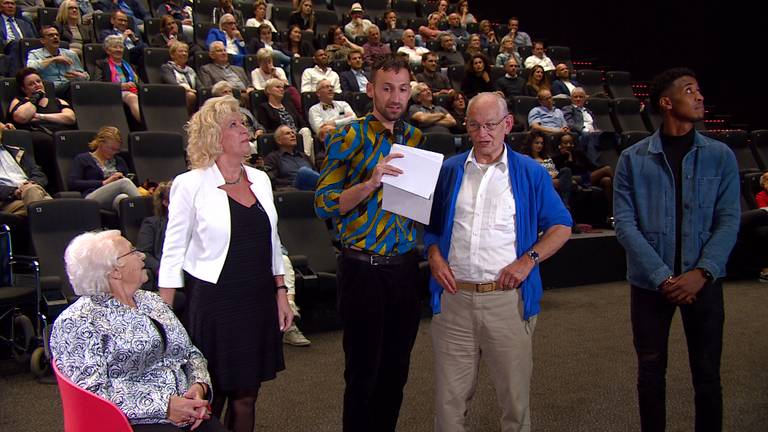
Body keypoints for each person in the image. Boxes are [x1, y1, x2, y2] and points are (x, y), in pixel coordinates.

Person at [424, 92, 572, 432]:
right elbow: (431, 228)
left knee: (514, 404)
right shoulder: (449, 171)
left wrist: (528, 261)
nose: (483, 134)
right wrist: (433, 255)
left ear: (507, 125)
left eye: (490, 125)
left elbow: (561, 226)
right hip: (453, 300)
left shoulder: (530, 173)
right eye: (474, 125)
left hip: (507, 301)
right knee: (448, 404)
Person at [614, 68, 740, 432]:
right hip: (650, 286)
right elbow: (625, 224)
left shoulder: (721, 156)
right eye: (690, 91)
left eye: (699, 90)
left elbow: (728, 220)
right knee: (650, 374)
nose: (700, 97)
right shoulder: (633, 159)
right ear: (667, 103)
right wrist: (664, 278)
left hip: (705, 282)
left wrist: (701, 274)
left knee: (708, 375)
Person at [159, 96, 293, 432]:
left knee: (248, 395)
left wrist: (281, 291)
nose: (245, 130)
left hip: (258, 297)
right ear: (213, 136)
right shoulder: (189, 184)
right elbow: (173, 250)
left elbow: (272, 241)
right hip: (216, 301)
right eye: (234, 124)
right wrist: (163, 315)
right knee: (209, 395)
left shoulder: (260, 179)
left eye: (244, 124)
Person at [314, 54, 425, 432]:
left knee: (397, 373)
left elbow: (414, 208)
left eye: (403, 89)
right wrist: (370, 183)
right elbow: (324, 202)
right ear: (370, 89)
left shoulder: (414, 138)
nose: (396, 97)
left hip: (405, 270)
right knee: (363, 375)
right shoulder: (348, 135)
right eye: (387, 88)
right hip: (363, 270)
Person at [50, 230, 230, 432]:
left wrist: (199, 387)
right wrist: (165, 406)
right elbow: (90, 392)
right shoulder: (78, 321)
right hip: (132, 420)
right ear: (115, 271)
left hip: (187, 409)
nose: (142, 255)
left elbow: (189, 353)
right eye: (133, 251)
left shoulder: (150, 300)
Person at [10, 67, 76, 191]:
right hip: (39, 135)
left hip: (62, 133)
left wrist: (40, 116)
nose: (37, 85)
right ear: (24, 89)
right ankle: (54, 188)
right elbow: (21, 117)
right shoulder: (20, 101)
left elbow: (70, 117)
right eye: (31, 84)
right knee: (45, 141)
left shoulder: (57, 101)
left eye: (38, 81)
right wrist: (35, 99)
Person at [68, 126, 141, 211]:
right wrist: (104, 182)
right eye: (111, 149)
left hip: (113, 199)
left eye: (117, 150)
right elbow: (73, 183)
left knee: (123, 199)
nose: (114, 152)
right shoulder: (82, 159)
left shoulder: (119, 161)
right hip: (92, 197)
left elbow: (130, 182)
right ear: (100, 143)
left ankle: (132, 224)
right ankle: (149, 212)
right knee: (124, 183)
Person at [26, 25, 88, 99]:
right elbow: (30, 69)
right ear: (43, 40)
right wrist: (54, 59)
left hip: (70, 87)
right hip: (50, 88)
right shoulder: (35, 54)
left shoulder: (70, 54)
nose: (55, 37)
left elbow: (85, 76)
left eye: (57, 35)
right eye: (50, 35)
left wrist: (81, 76)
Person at [0, 129, 52, 216]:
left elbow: (39, 174)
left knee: (33, 194)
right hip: (7, 201)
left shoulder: (17, 152)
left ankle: (40, 226)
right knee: (50, 205)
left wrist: (31, 183)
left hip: (31, 191)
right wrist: (14, 191)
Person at [93, 35, 142, 122]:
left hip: (134, 91)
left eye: (121, 47)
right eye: (115, 47)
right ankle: (147, 125)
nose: (119, 50)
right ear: (108, 50)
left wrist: (135, 86)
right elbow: (97, 84)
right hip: (115, 93)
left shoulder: (130, 66)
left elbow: (141, 83)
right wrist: (121, 86)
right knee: (132, 97)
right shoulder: (102, 64)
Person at [210, 81, 265, 156]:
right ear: (217, 97)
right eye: (225, 92)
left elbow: (258, 125)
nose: (229, 94)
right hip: (236, 142)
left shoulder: (244, 110)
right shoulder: (216, 114)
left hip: (254, 139)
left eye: (230, 91)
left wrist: (259, 130)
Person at [519, 130, 572, 206]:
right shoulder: (526, 158)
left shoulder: (546, 157)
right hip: (540, 182)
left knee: (566, 171)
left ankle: (565, 203)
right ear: (530, 143)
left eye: (541, 143)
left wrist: (555, 179)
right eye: (537, 143)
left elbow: (554, 173)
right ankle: (563, 205)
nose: (540, 145)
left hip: (553, 179)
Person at [263, 125, 319, 190]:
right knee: (303, 172)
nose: (292, 135)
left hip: (312, 189)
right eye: (287, 133)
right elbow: (272, 181)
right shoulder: (273, 157)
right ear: (279, 141)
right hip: (292, 189)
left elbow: (315, 172)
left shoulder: (304, 156)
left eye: (292, 133)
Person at [0, 0, 38, 74]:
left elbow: (34, 41)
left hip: (26, 51)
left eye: (12, 4)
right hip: (7, 51)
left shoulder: (26, 23)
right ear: (0, 7)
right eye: (6, 3)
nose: (10, 6)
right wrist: (11, 43)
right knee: (16, 44)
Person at [160, 40, 198, 114]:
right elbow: (173, 83)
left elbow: (200, 86)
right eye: (180, 51)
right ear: (172, 55)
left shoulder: (190, 70)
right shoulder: (167, 67)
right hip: (174, 95)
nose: (184, 53)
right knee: (190, 96)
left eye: (186, 51)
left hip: (193, 94)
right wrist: (187, 89)